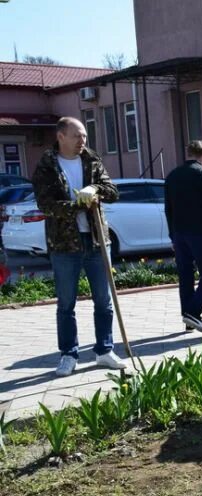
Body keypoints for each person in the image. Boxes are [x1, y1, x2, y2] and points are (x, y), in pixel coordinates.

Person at [32, 117, 126, 377]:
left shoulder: (91, 159)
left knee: (104, 300)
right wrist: (76, 205)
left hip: (96, 239)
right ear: (61, 136)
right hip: (64, 243)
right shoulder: (46, 165)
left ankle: (104, 350)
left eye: (84, 136)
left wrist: (94, 188)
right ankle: (68, 355)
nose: (82, 141)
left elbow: (112, 190)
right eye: (77, 136)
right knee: (66, 303)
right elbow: (45, 204)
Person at [164, 140, 202, 334]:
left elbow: (168, 208)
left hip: (179, 233)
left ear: (188, 153)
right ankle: (192, 312)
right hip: (199, 232)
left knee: (186, 275)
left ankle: (188, 319)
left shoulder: (172, 175)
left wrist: (172, 235)